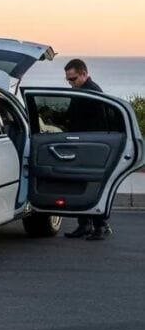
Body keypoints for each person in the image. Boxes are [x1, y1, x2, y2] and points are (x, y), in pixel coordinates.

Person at [62, 58, 112, 241]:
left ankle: (100, 226)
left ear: (84, 74)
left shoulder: (92, 93)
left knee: (91, 187)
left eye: (73, 79)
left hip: (91, 148)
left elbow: (97, 124)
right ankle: (84, 225)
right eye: (68, 79)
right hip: (82, 145)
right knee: (80, 186)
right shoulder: (83, 91)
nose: (70, 83)